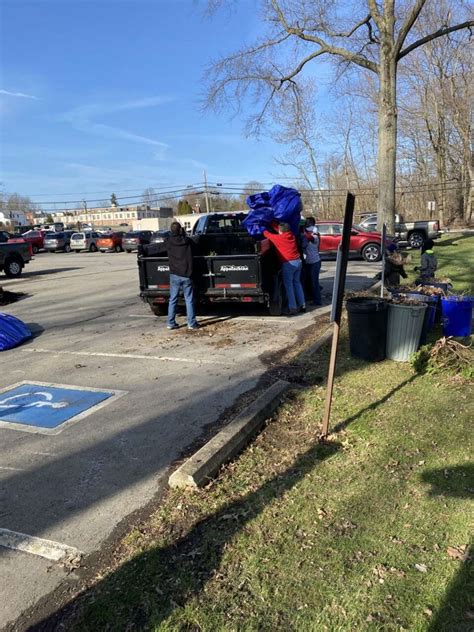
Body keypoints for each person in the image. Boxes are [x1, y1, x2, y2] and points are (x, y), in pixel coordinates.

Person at [263, 222, 306, 315]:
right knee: (297, 283)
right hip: (298, 262)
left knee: (289, 286)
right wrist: (273, 223)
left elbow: (266, 234)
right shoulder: (292, 236)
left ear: (280, 231)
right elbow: (280, 230)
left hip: (288, 264)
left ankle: (292, 307)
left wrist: (262, 225)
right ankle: (302, 305)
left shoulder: (279, 238)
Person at [165, 221, 199, 331]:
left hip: (174, 274)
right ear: (180, 230)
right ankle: (191, 323)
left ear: (171, 230)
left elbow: (158, 247)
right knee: (189, 299)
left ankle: (170, 323)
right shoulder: (187, 241)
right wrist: (184, 233)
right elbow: (196, 241)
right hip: (186, 275)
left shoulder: (169, 242)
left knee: (173, 299)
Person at [302, 217, 322, 305]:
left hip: (314, 262)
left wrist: (303, 231)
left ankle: (317, 301)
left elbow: (310, 238)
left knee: (314, 282)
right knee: (308, 281)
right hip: (308, 262)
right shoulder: (310, 233)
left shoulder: (315, 235)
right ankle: (310, 297)